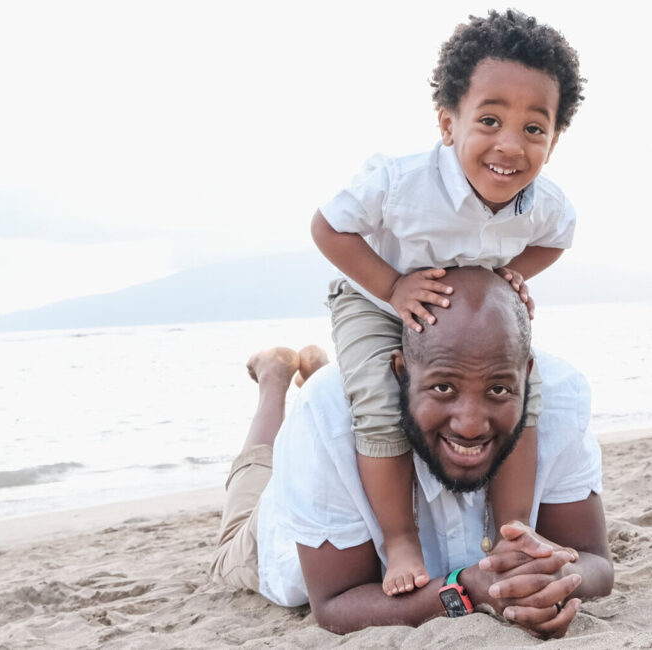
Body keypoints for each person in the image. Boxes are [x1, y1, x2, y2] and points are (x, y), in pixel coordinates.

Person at [310, 8, 586, 597]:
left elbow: (556, 241)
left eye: (534, 129)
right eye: (489, 120)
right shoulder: (400, 182)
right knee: (377, 400)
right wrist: (392, 286)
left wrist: (511, 274)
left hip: (463, 317)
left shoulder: (545, 204)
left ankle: (513, 533)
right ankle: (401, 539)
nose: (510, 144)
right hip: (374, 296)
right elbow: (328, 228)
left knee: (525, 395)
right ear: (447, 122)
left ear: (554, 139)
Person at [210, 267, 612, 638]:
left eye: (498, 390)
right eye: (443, 388)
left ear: (526, 376)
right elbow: (333, 605)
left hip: (331, 447)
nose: (471, 426)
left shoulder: (558, 398)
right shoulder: (323, 419)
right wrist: (470, 589)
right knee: (246, 501)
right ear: (400, 372)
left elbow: (596, 561)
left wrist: (553, 581)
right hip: (283, 519)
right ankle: (274, 378)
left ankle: (317, 368)